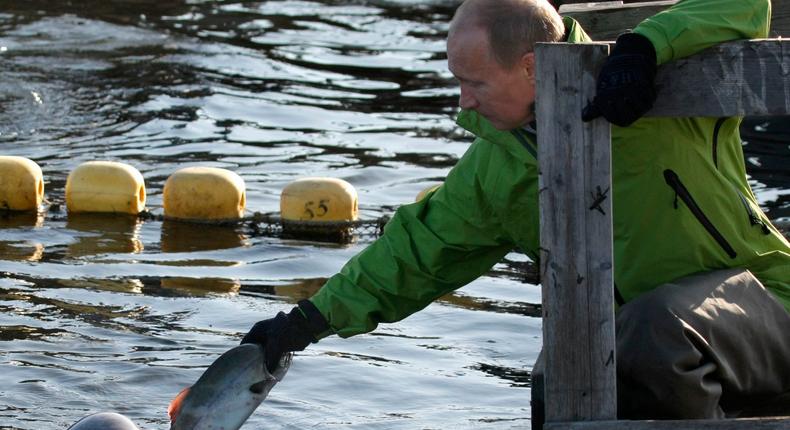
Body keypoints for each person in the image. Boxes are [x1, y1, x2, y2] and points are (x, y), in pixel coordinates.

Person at [242, 0, 790, 420]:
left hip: (765, 306)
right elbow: (413, 253)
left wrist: (647, 47)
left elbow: (743, 4)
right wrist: (304, 324)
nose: (464, 102)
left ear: (530, 66)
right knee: (557, 375)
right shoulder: (494, 169)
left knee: (653, 328)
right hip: (637, 343)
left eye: (473, 82)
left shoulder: (653, 85)